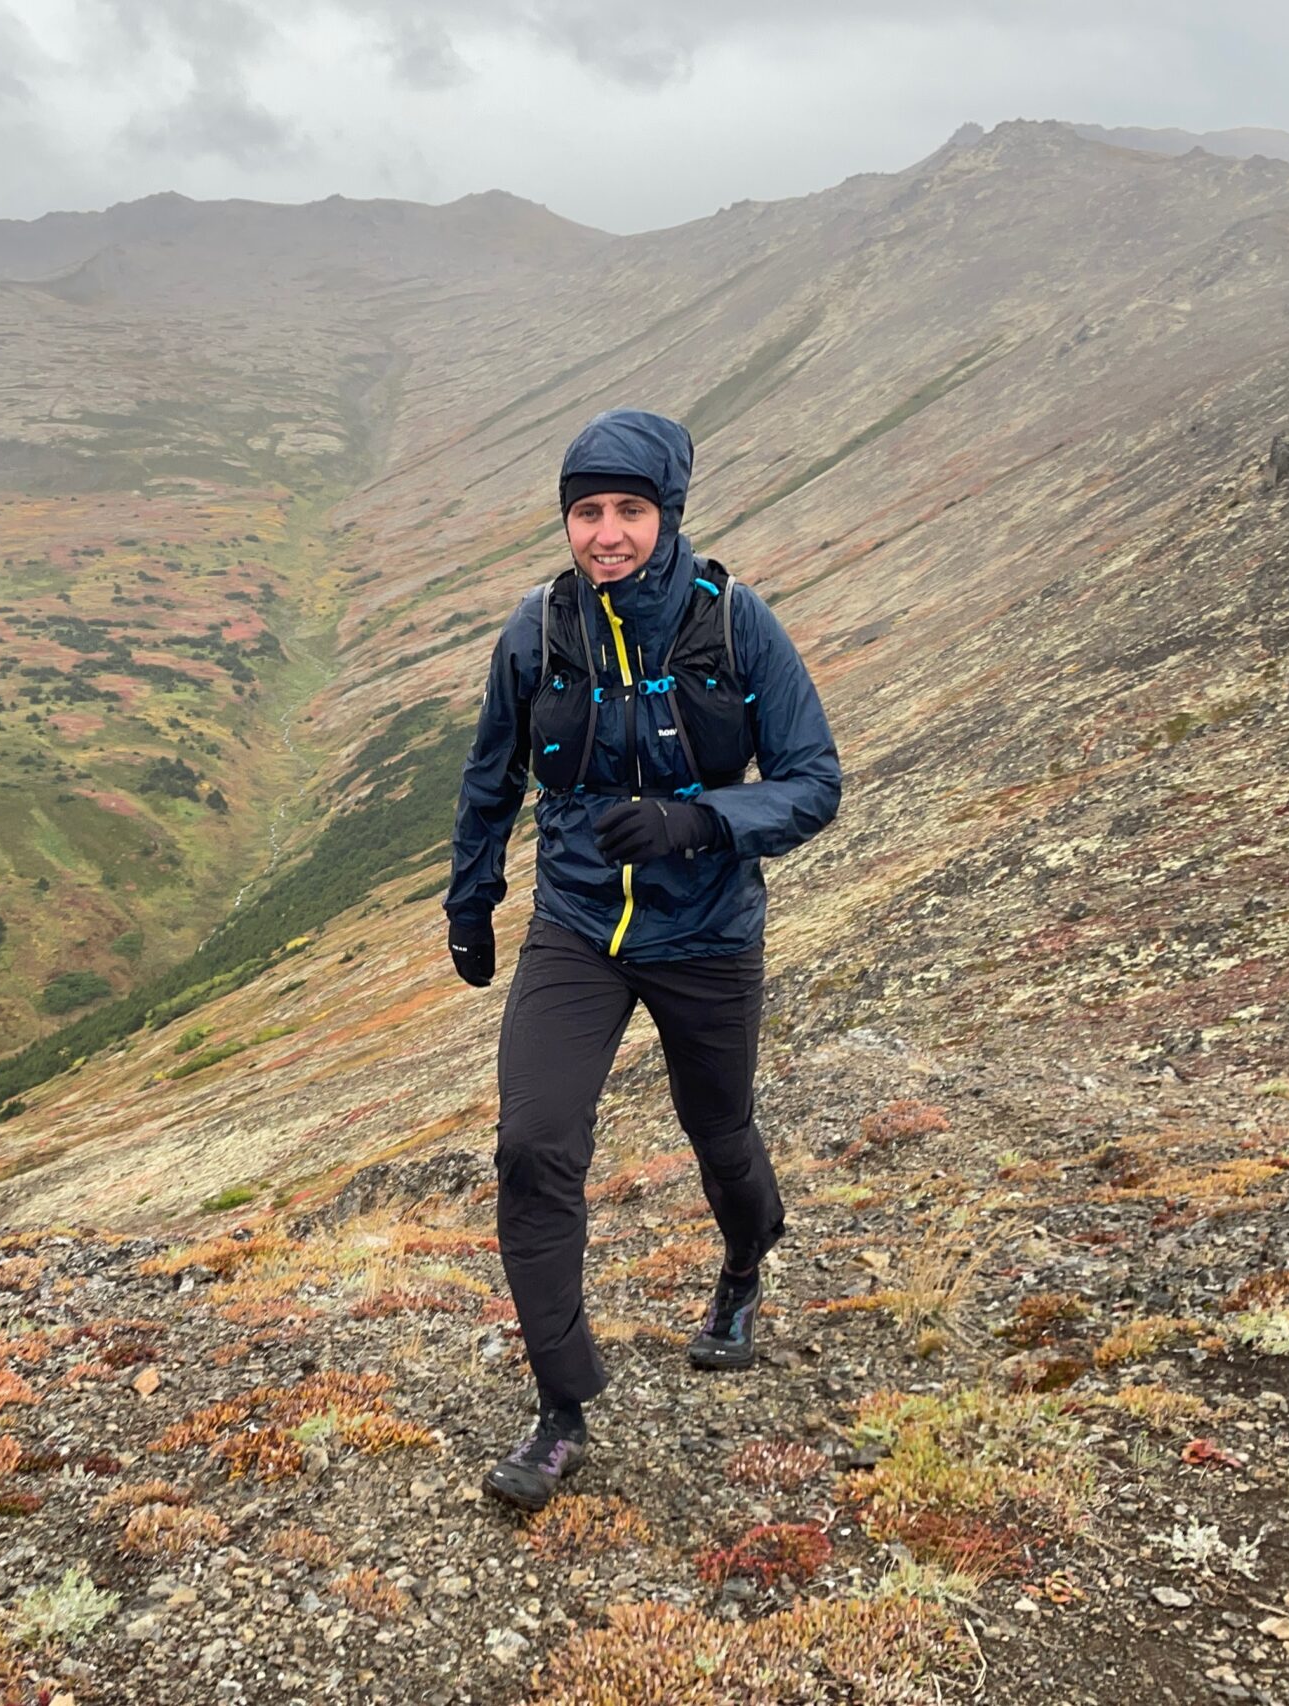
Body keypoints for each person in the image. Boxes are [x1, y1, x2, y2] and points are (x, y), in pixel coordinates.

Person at [443, 407, 842, 1510]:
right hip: (577, 924)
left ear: (667, 515)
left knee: (719, 1129)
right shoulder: (534, 630)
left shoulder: (734, 624)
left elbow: (814, 781)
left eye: (628, 510)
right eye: (586, 511)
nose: (606, 533)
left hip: (707, 927)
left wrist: (699, 821)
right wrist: (470, 900)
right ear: (565, 520)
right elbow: (491, 778)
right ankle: (561, 1409)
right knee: (531, 1142)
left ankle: (744, 1265)